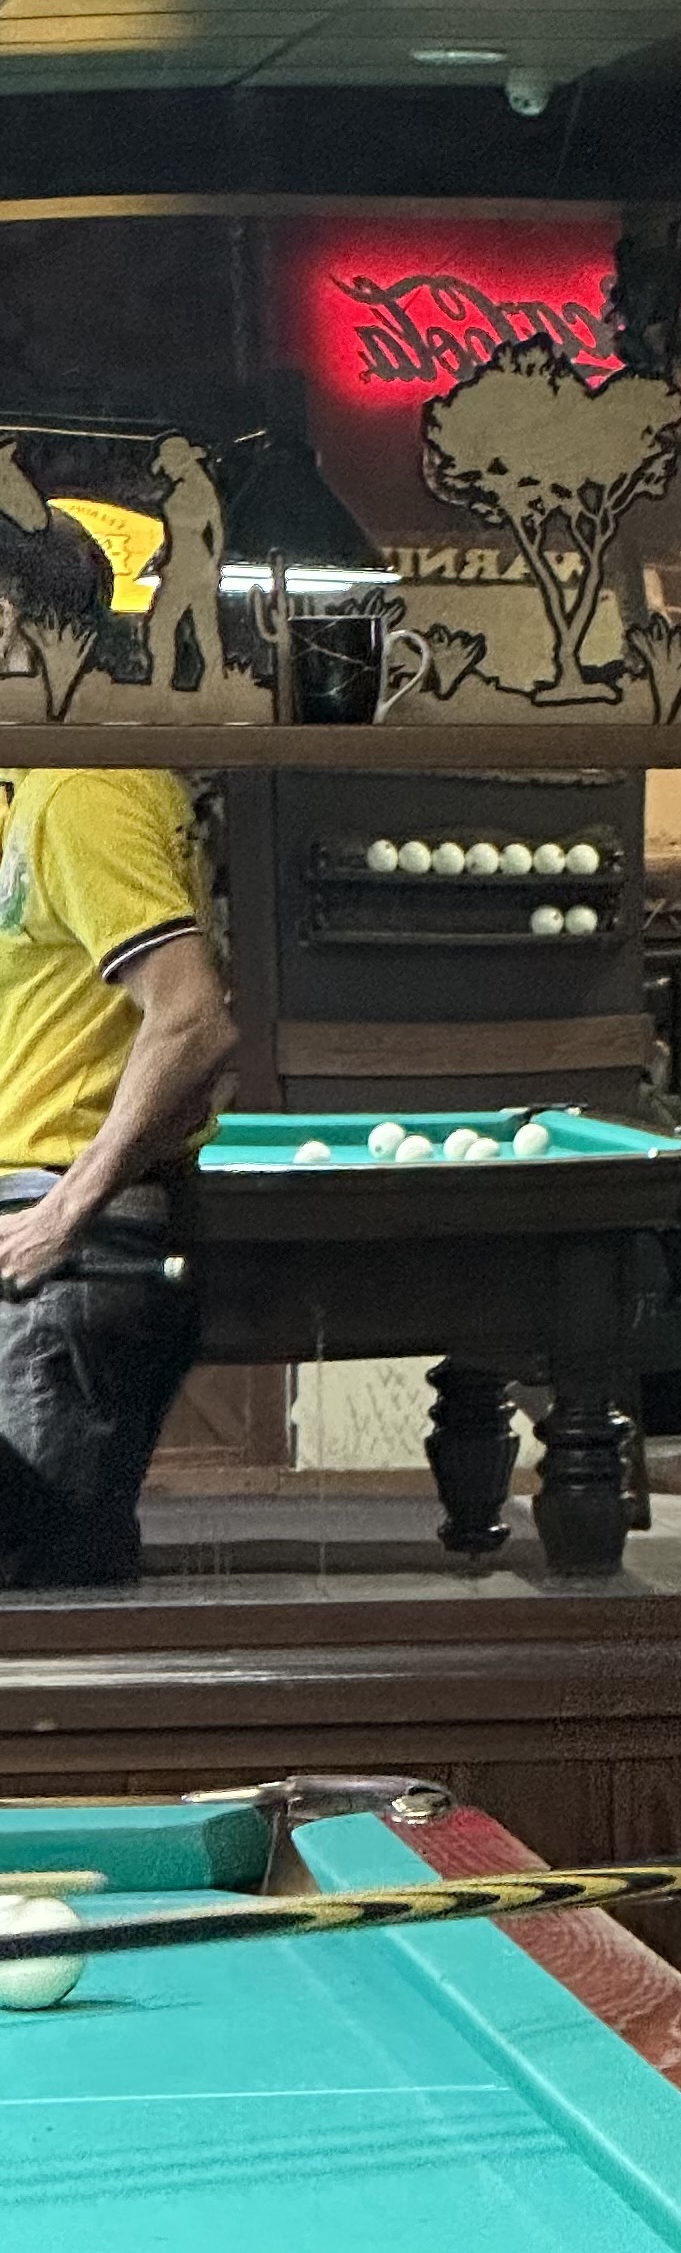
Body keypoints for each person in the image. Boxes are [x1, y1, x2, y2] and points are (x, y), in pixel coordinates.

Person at [0, 510, 236, 1586]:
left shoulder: (86, 788)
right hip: (60, 1244)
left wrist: (63, 1213)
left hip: (72, 1254)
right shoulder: (51, 780)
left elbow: (192, 1017)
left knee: (47, 1607)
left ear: (8, 624)